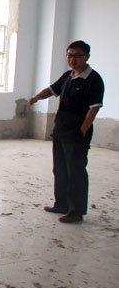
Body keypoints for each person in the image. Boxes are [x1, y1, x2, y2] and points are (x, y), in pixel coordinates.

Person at [28, 40, 104, 224]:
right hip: (61, 128)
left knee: (75, 171)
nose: (73, 59)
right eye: (70, 55)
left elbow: (94, 108)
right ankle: (61, 204)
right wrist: (36, 97)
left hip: (77, 131)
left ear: (87, 56)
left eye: (78, 55)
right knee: (60, 169)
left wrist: (82, 130)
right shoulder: (68, 76)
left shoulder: (94, 79)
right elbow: (51, 90)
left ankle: (76, 211)